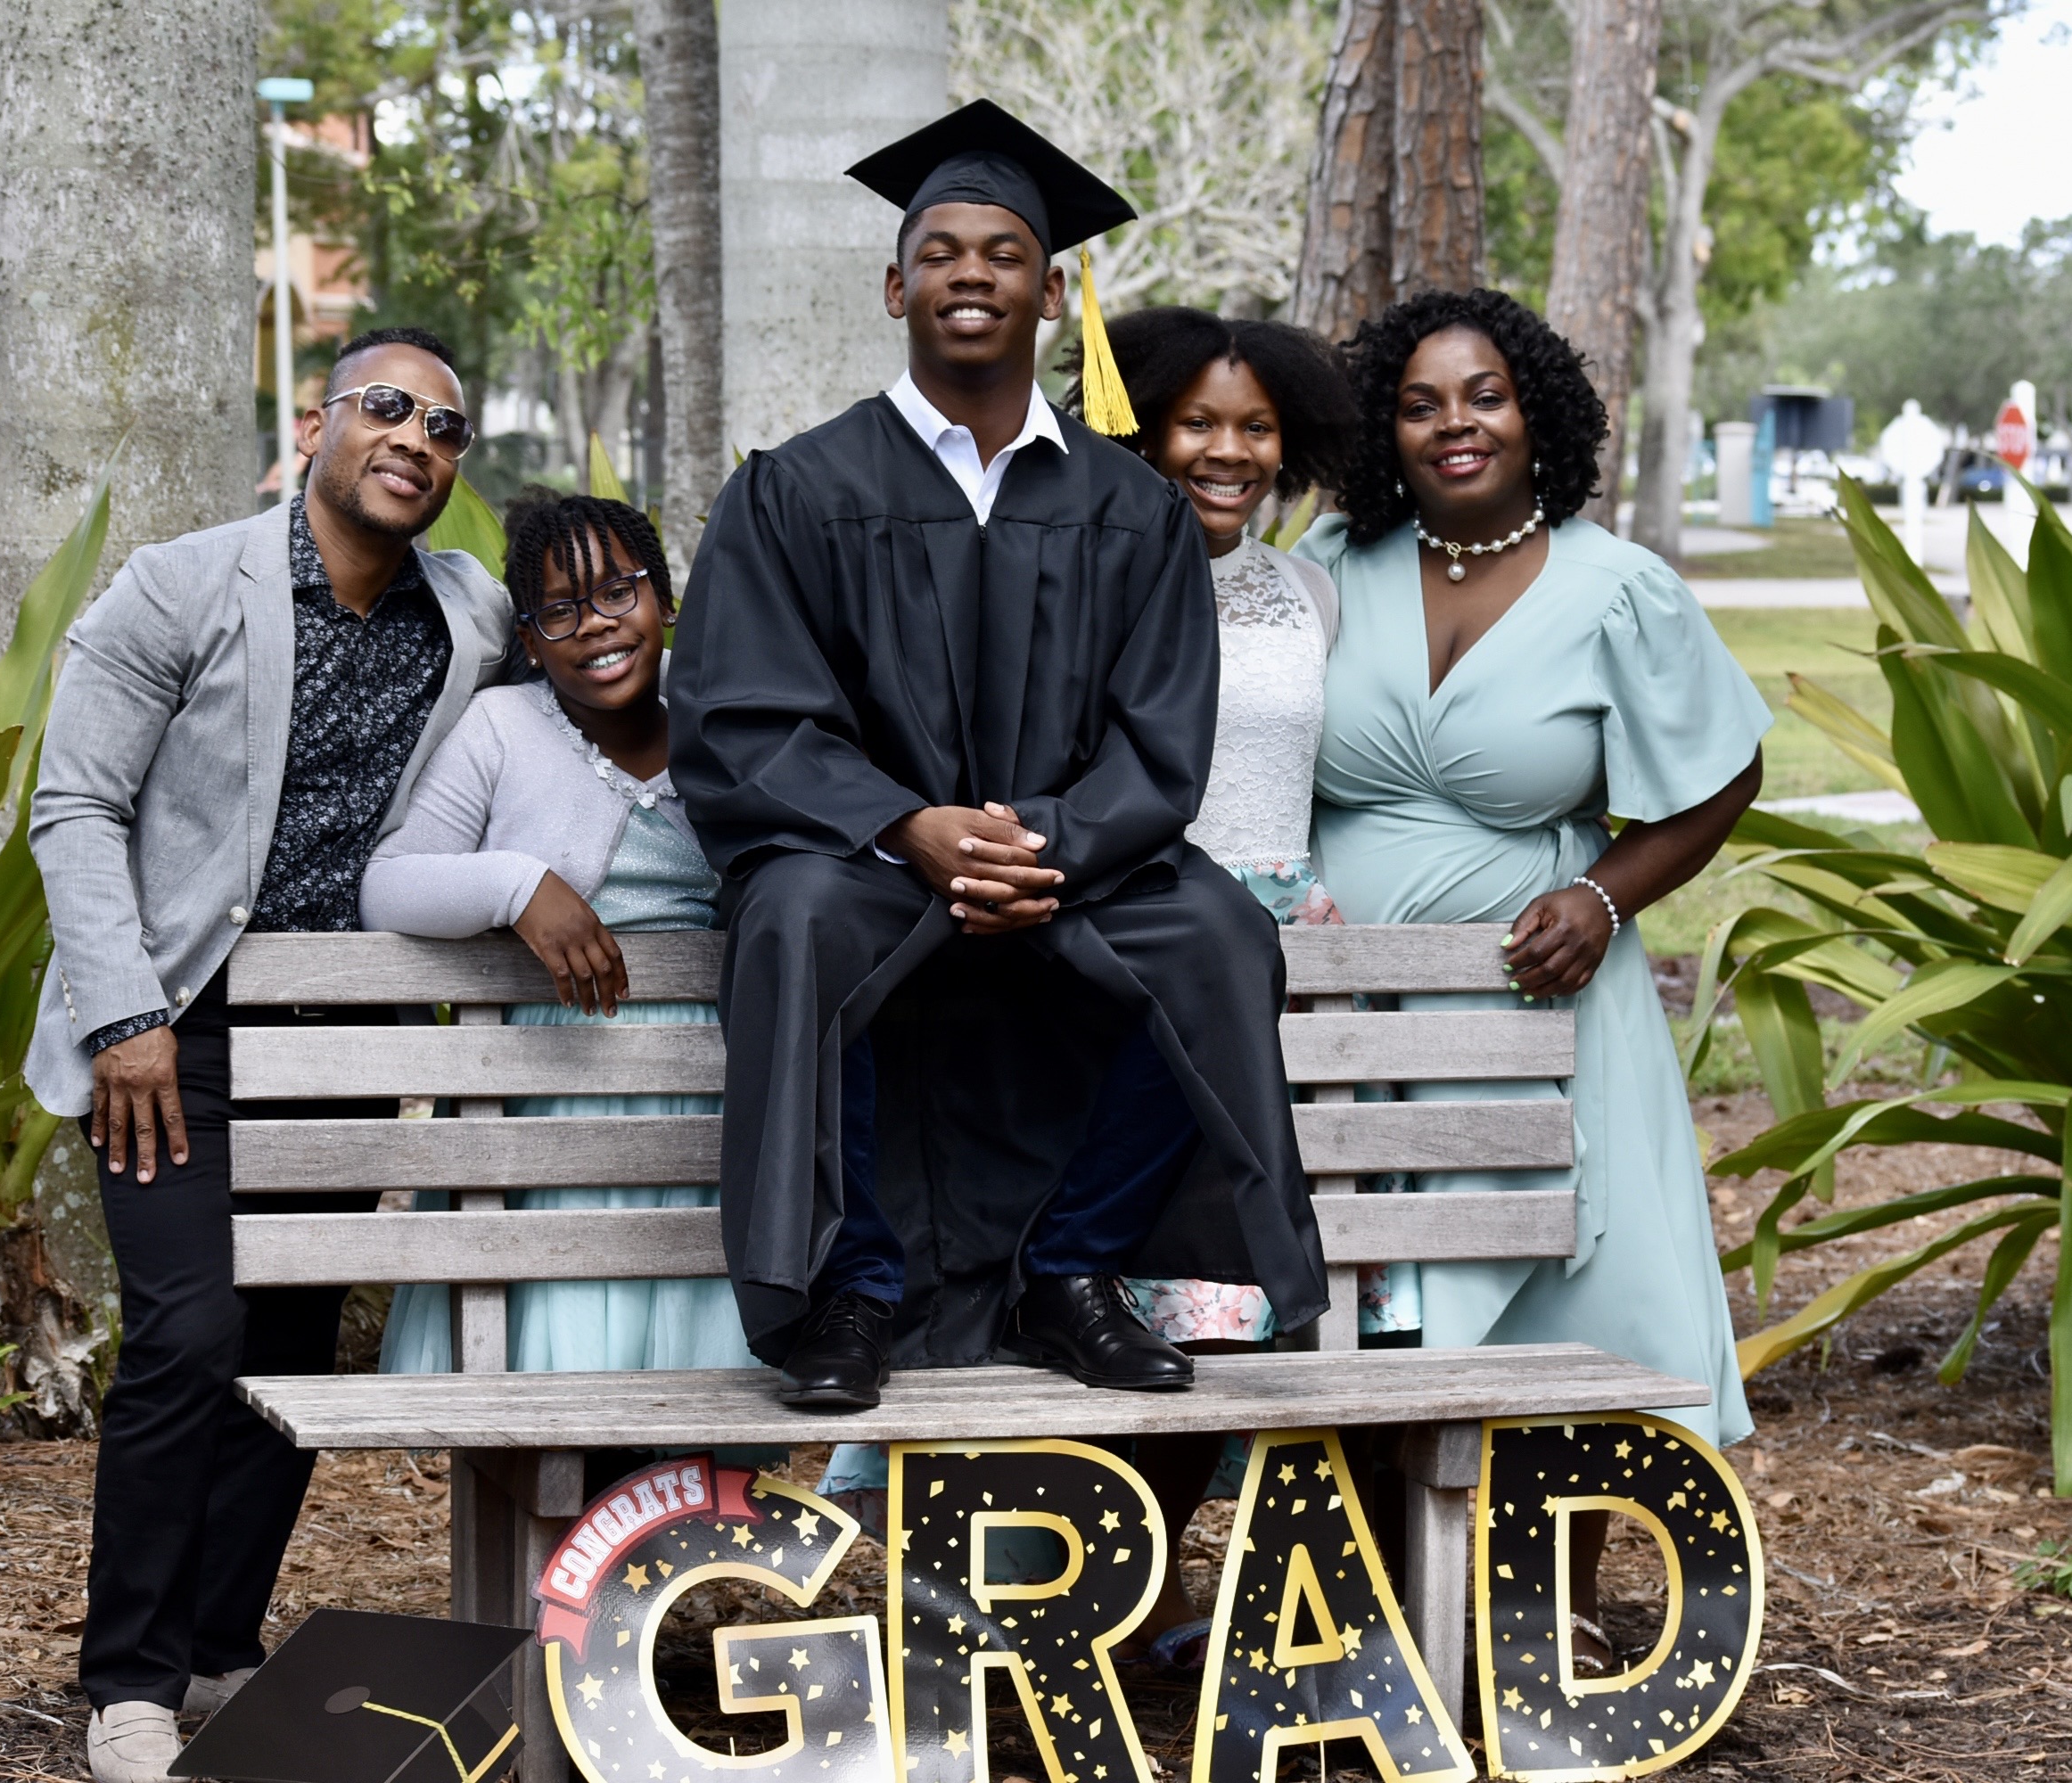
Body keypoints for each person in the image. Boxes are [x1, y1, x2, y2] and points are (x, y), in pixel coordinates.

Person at [665, 100, 1327, 1412]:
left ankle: (1070, 1277)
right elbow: (741, 714)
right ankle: (846, 1293)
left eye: (1005, 252)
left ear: (1050, 288)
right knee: (795, 916)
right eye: (946, 250)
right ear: (897, 282)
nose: (974, 272)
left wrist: (1047, 845)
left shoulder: (1128, 508)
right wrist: (910, 826)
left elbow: (1161, 733)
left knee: (1221, 940)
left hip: (1068, 854)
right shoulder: (796, 488)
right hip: (870, 855)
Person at [26, 327, 514, 1783]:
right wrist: (125, 1016)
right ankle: (126, 1680)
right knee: (189, 1336)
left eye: (445, 426)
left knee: (294, 1350)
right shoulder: (178, 589)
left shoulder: (470, 613)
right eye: (385, 408)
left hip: (352, 1032)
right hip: (179, 1035)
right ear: (316, 422)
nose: (415, 440)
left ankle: (222, 1646)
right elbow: (75, 805)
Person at [1299, 287, 1770, 1672]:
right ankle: (1382, 1621)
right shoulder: (1332, 562)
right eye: (1422, 401)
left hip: (1538, 1003)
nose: (1456, 424)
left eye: (1486, 395)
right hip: (1352, 1009)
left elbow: (1724, 770)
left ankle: (1532, 1631)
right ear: (1385, 426)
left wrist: (1604, 895)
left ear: (1536, 412)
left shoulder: (1615, 585)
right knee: (1374, 1311)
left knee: (1569, 1306)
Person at [364, 491, 760, 1381]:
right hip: (550, 1102)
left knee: (695, 1399)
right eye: (560, 609)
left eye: (620, 591)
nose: (597, 625)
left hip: (705, 1103)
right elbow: (387, 885)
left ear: (663, 599)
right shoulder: (503, 726)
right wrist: (518, 884)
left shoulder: (723, 724)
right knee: (565, 1365)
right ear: (532, 640)